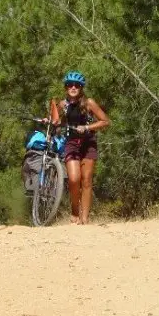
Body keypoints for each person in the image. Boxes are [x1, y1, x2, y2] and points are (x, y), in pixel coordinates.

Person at [50, 71, 110, 225]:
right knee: (74, 179)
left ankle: (84, 219)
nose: (73, 87)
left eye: (77, 85)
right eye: (70, 85)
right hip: (71, 143)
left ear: (81, 88)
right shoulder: (63, 105)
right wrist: (49, 120)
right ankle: (75, 211)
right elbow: (55, 121)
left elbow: (105, 121)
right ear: (66, 87)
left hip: (88, 143)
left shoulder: (89, 103)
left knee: (87, 181)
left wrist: (88, 127)